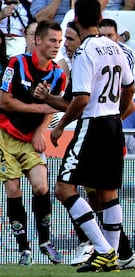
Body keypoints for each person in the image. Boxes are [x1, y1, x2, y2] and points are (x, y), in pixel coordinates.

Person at [50, 0, 135, 272]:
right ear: (100, 18)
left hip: (94, 123)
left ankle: (104, 250)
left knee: (64, 189)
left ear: (75, 20)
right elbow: (130, 87)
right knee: (108, 191)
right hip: (113, 123)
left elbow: (82, 99)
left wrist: (60, 125)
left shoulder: (84, 51)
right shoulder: (116, 47)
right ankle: (110, 257)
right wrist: (117, 115)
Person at [0, 20, 66, 266]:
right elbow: (3, 102)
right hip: (5, 134)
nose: (56, 46)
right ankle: (23, 249)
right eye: (52, 40)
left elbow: (53, 106)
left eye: (60, 42)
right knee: (13, 189)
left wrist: (41, 130)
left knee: (41, 186)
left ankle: (45, 241)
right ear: (37, 40)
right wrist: (37, 107)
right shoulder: (16, 63)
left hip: (30, 138)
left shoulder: (58, 74)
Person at [98, 18, 135, 88]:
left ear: (117, 36)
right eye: (102, 36)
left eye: (110, 35)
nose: (106, 39)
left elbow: (129, 84)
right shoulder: (91, 51)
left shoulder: (128, 54)